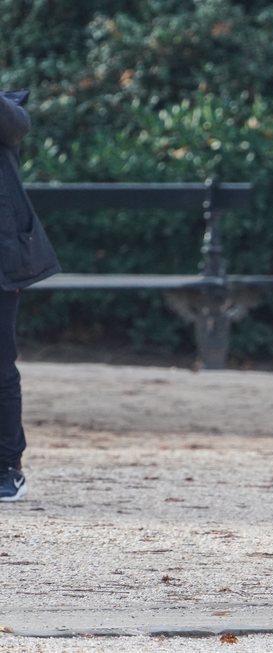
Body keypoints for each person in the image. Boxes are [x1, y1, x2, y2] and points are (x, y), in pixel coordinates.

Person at [0, 90, 60, 502]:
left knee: (0, 367)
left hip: (1, 262)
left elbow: (16, 126)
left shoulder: (7, 111)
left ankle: (8, 464)